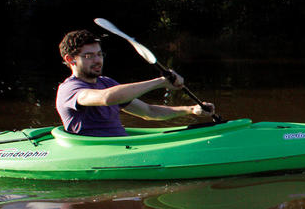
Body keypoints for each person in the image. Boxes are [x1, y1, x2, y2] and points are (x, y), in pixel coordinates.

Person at [57, 29, 214, 136]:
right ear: (70, 60)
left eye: (99, 54)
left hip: (124, 146)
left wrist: (191, 109)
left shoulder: (107, 83)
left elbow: (149, 112)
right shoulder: (70, 89)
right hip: (94, 151)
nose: (98, 60)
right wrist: (160, 82)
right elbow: (106, 98)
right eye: (89, 56)